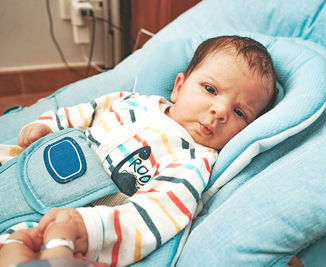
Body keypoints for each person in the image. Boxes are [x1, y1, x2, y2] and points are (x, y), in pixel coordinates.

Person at [0, 35, 276, 266]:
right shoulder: (131, 102)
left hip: (73, 216)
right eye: (209, 89)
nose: (220, 111)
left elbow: (150, 217)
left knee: (20, 245)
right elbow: (83, 114)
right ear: (178, 87)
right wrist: (44, 126)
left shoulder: (193, 163)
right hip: (36, 167)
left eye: (240, 112)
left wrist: (88, 229)